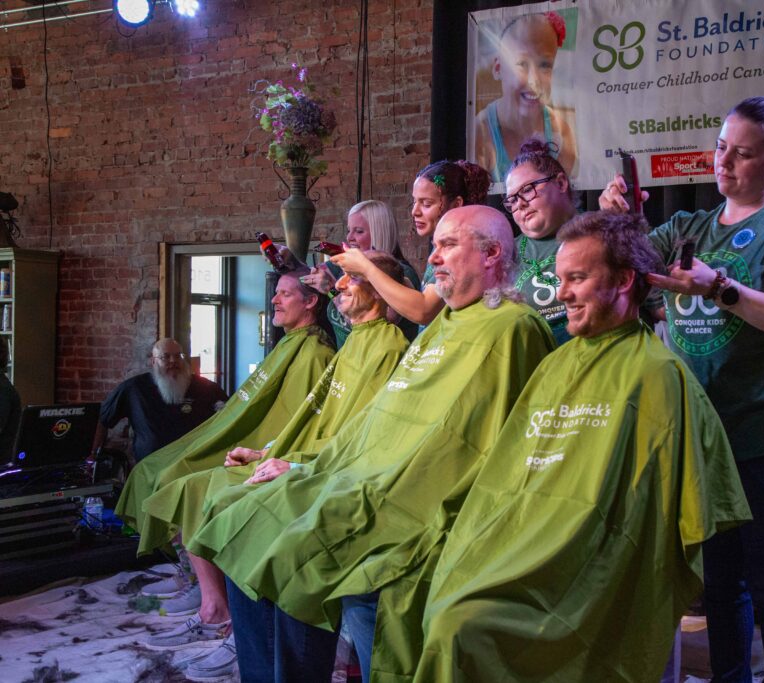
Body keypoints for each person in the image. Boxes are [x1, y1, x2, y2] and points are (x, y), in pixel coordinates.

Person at [188, 205, 554, 682]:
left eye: (447, 246)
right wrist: (304, 466)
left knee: (288, 545)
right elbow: (375, 423)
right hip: (356, 473)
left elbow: (480, 444)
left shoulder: (513, 328)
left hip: (407, 498)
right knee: (239, 522)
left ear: (491, 254)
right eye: (435, 247)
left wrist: (342, 477)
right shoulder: (440, 328)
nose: (434, 258)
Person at [406, 211, 750, 682]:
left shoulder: (656, 376)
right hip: (524, 547)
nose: (561, 294)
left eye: (577, 279)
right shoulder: (555, 365)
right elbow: (507, 476)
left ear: (624, 281)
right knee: (432, 590)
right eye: (560, 279)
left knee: (462, 626)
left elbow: (651, 528)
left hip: (588, 571)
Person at [600, 96, 764, 683]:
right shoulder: (691, 226)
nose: (724, 162)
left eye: (743, 153)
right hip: (705, 436)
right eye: (720, 147)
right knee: (722, 584)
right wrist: (617, 219)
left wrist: (719, 289)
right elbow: (621, 265)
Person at [138, 253, 410, 681]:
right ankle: (237, 637)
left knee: (242, 517)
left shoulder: (387, 346)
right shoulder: (356, 341)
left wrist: (296, 464)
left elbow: (359, 437)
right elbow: (313, 419)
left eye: (351, 279)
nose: (338, 286)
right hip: (307, 460)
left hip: (334, 475)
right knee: (223, 507)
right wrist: (267, 453)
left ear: (379, 288)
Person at [114, 269, 335, 618]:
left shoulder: (314, 352)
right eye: (276, 293)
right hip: (244, 438)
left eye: (285, 294)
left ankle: (212, 595)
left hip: (266, 445)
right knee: (149, 468)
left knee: (174, 480)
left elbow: (298, 416)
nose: (274, 300)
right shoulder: (290, 343)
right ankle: (192, 574)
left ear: (310, 302)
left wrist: (264, 450)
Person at [333, 160, 489, 328]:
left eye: (426, 204)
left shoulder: (460, 249)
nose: (415, 211)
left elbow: (424, 311)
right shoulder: (440, 249)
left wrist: (366, 268)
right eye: (414, 202)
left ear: (456, 204)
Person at [474, 11, 577, 183]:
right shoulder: (481, 133)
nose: (534, 80)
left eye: (545, 65)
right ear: (498, 68)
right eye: (522, 64)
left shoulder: (562, 134)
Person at [304, 200, 422, 345]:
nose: (349, 237)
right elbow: (306, 275)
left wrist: (331, 290)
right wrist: (290, 260)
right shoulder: (349, 267)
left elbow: (377, 322)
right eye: (349, 230)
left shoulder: (402, 273)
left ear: (379, 233)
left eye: (359, 231)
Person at [96, 338, 227, 463]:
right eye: (165, 356)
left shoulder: (205, 387)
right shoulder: (134, 388)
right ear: (153, 361)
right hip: (150, 468)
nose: (173, 361)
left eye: (178, 356)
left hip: (194, 465)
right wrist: (94, 455)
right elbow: (103, 419)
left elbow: (229, 413)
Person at [501, 138, 578, 344]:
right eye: (512, 200)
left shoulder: (601, 233)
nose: (520, 204)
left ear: (560, 183)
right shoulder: (505, 253)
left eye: (527, 190)